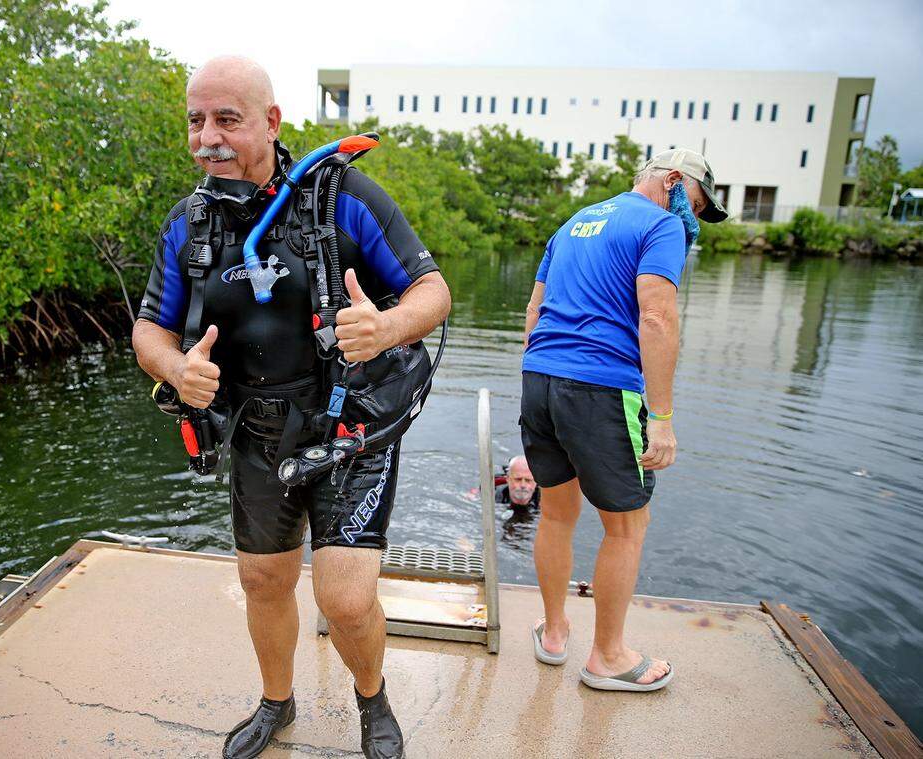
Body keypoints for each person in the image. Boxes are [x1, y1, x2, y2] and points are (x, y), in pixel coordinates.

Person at [131, 56, 450, 758]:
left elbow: (433, 292)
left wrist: (387, 327)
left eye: (226, 119)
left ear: (271, 122)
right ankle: (277, 701)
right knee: (263, 579)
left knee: (343, 597)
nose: (206, 137)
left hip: (350, 425)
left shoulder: (342, 196)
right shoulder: (189, 223)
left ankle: (373, 697)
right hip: (255, 429)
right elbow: (148, 329)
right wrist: (175, 367)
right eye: (195, 120)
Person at [520, 149, 727, 691]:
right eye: (698, 206)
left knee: (556, 515)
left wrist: (541, 377)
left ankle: (555, 634)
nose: (695, 221)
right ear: (675, 182)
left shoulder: (574, 222)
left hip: (539, 377)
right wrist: (660, 418)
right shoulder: (661, 225)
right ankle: (608, 657)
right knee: (629, 526)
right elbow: (656, 316)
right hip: (601, 386)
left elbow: (535, 313)